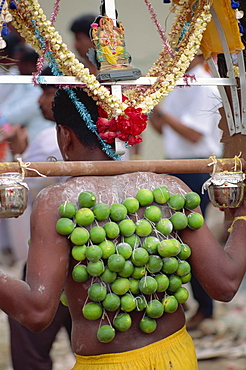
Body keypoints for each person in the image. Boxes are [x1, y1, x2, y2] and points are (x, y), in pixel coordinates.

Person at [0, 87, 246, 370]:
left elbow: (37, 311)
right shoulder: (170, 188)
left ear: (64, 136)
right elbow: (225, 284)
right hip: (177, 357)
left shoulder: (58, 203)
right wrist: (241, 215)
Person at [2, 67, 73, 370]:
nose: (40, 101)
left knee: (30, 322)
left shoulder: (48, 138)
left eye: (47, 93)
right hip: (75, 245)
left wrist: (19, 158)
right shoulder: (49, 137)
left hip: (57, 249)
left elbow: (28, 187)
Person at [149, 53, 224, 330]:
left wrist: (161, 113)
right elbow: (162, 129)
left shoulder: (203, 83)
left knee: (192, 238)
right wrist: (152, 110)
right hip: (176, 165)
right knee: (172, 238)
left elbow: (193, 135)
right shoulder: (179, 83)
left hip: (197, 168)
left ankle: (206, 307)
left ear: (200, 51)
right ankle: (187, 304)